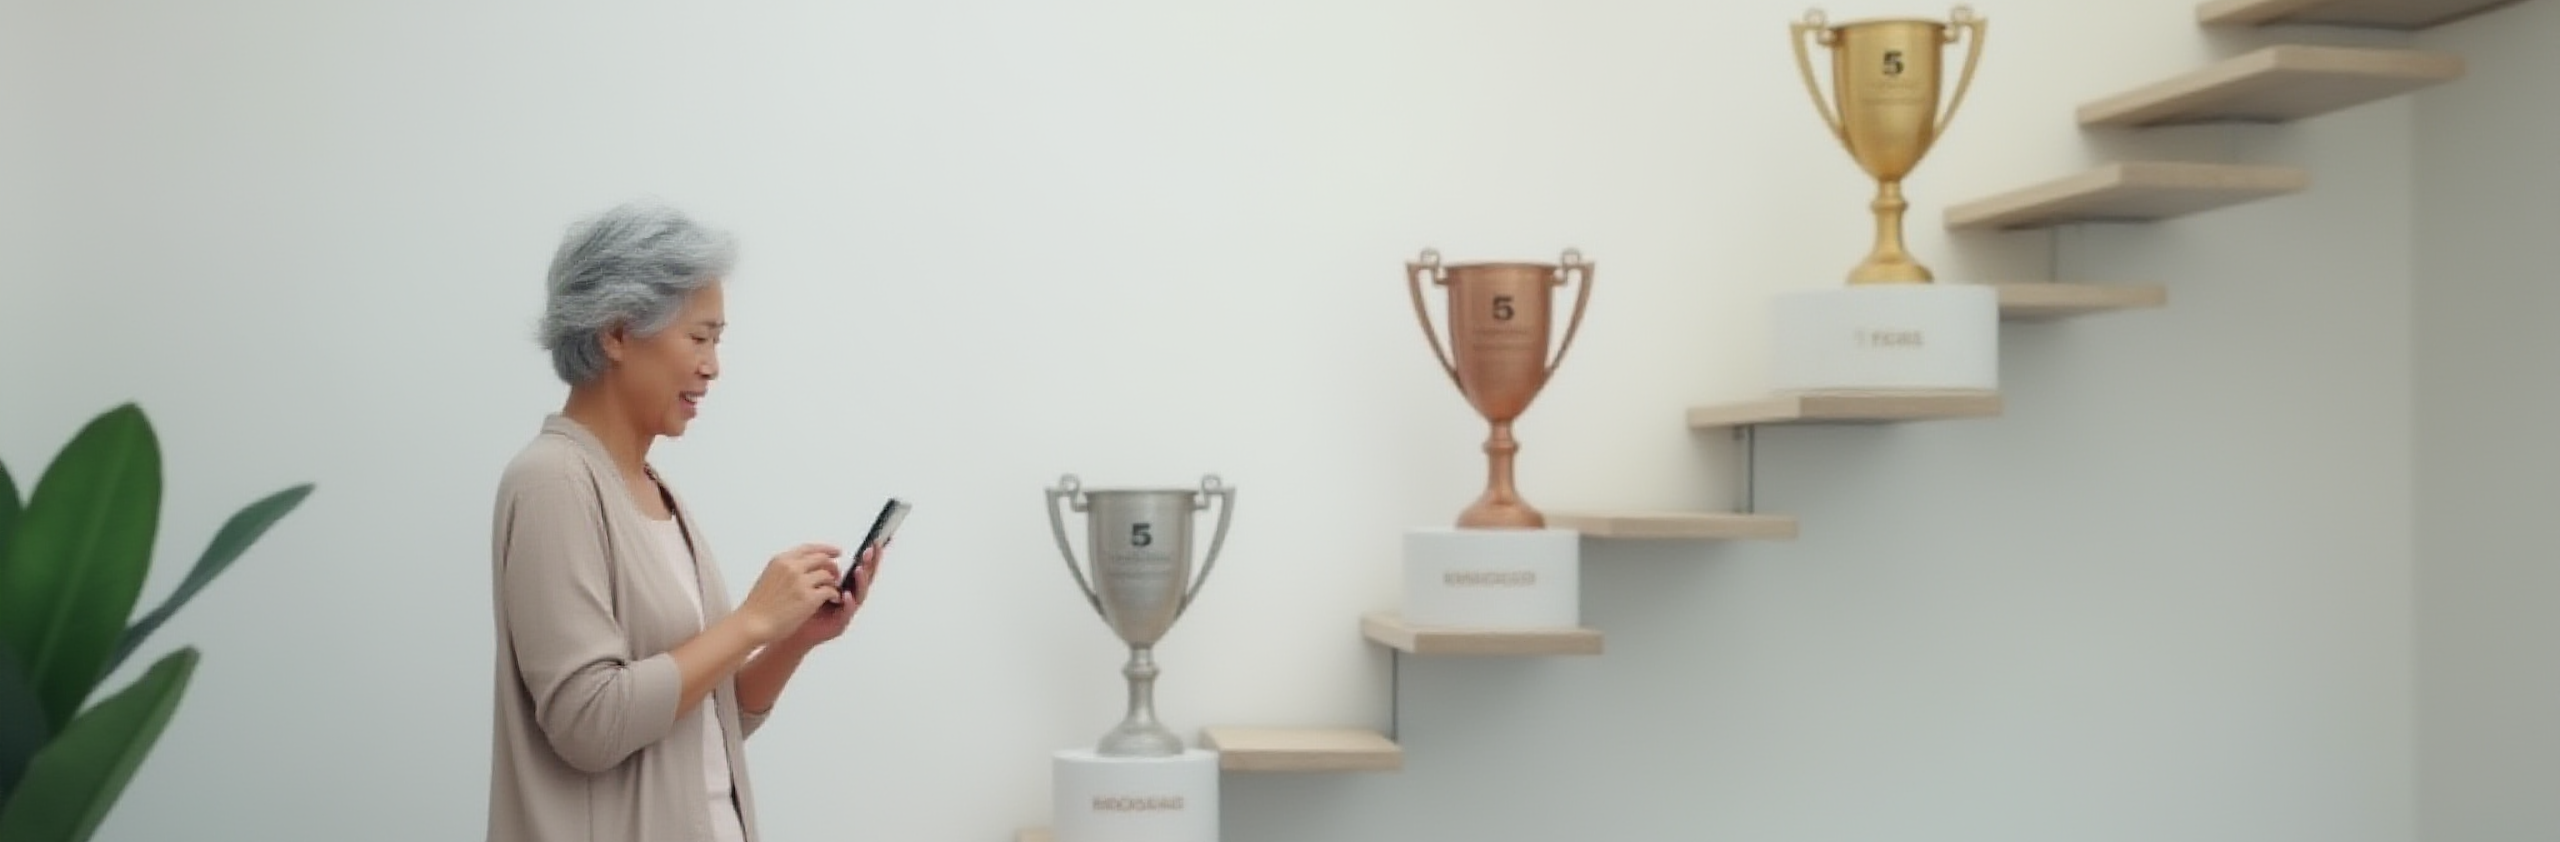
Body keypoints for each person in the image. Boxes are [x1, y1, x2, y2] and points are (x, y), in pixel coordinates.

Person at [484, 199, 880, 842]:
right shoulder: (553, 482)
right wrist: (750, 620)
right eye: (699, 337)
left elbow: (704, 721)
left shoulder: (657, 492)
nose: (712, 366)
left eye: (717, 341)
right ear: (615, 334)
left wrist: (791, 638)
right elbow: (589, 725)